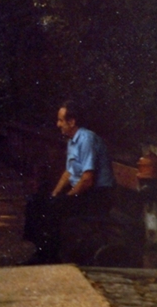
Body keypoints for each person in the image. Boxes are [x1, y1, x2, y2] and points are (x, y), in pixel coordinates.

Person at [23, 100, 115, 264]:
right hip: (85, 192)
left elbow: (87, 179)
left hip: (98, 196)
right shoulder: (72, 140)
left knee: (54, 208)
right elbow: (69, 172)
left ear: (71, 122)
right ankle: (40, 250)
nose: (58, 124)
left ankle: (49, 256)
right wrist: (55, 193)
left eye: (60, 120)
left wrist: (67, 197)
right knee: (35, 202)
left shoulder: (86, 139)